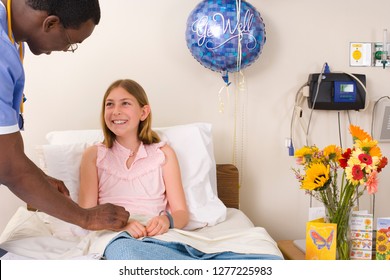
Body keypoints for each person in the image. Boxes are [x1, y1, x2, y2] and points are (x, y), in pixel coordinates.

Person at [0, 0, 129, 232]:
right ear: (50, 23)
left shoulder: (10, 41)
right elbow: (7, 166)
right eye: (71, 43)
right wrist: (86, 218)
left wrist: (38, 178)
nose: (65, 50)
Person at [78, 79, 189, 239]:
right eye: (109, 104)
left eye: (125, 103)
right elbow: (87, 217)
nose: (115, 111)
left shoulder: (163, 154)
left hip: (157, 235)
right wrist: (122, 226)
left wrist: (166, 221)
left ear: (143, 112)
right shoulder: (94, 155)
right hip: (114, 235)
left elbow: (181, 213)